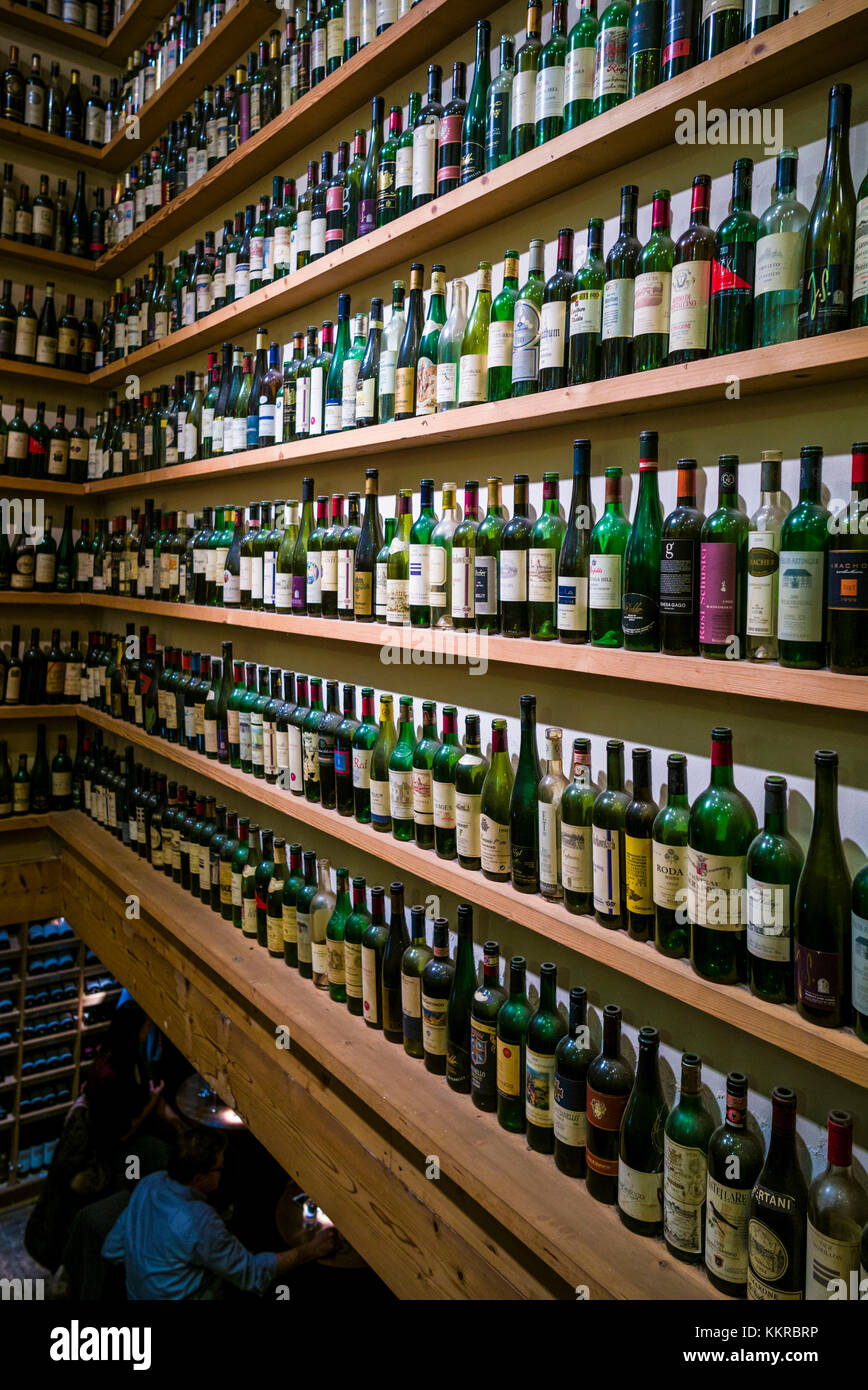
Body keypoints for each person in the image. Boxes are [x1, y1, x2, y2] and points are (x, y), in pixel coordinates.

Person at [102, 1127, 338, 1299]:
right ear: (199, 1178)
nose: (222, 1173)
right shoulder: (199, 1220)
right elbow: (251, 1273)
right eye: (219, 1169)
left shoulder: (149, 1183)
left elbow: (112, 1249)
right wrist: (311, 1250)